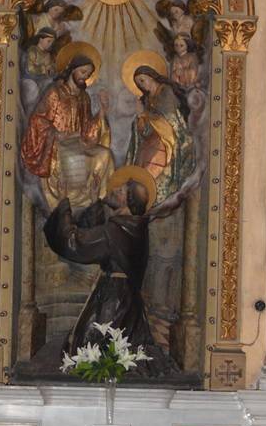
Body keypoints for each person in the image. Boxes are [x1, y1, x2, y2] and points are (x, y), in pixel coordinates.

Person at [43, 167, 165, 371]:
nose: (114, 189)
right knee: (113, 353)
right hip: (125, 300)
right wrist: (95, 201)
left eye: (120, 191)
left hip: (112, 303)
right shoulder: (133, 227)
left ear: (128, 202)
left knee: (95, 351)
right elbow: (95, 235)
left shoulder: (116, 232)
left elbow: (74, 242)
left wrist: (63, 203)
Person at [21, 49, 114, 210]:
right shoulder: (55, 93)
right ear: (72, 70)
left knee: (105, 154)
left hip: (79, 143)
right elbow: (38, 120)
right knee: (71, 159)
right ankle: (68, 203)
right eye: (83, 72)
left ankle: (95, 200)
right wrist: (56, 134)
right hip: (57, 145)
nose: (85, 77)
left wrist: (102, 111)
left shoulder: (84, 97)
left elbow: (87, 130)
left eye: (88, 74)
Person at [126, 65, 194, 202]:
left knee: (154, 155)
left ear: (151, 77)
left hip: (170, 135)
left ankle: (154, 189)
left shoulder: (165, 91)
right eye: (139, 84)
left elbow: (168, 117)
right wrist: (140, 117)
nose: (141, 85)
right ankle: (141, 188)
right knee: (142, 153)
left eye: (142, 80)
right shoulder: (146, 99)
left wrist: (143, 113)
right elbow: (146, 128)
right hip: (154, 135)